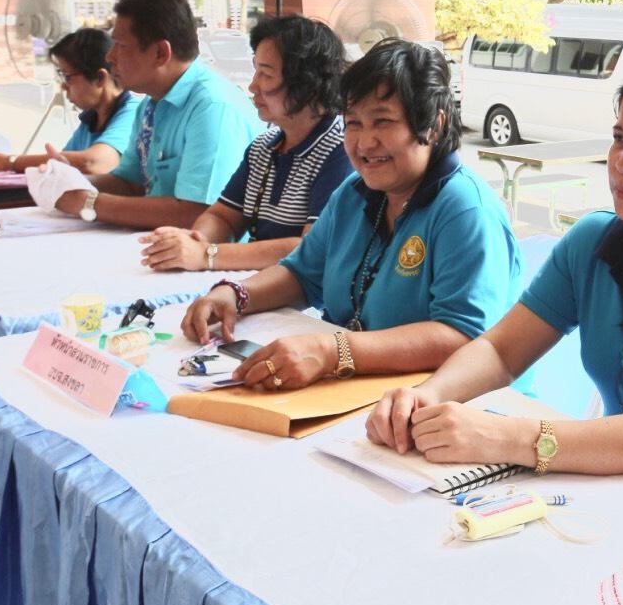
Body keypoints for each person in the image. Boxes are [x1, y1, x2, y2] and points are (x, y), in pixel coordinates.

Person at [366, 56, 623, 476]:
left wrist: (506, 437)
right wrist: (427, 395)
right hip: (620, 482)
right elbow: (502, 351)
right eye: (620, 138)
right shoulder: (592, 242)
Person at [180, 39, 520, 388]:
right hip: (360, 385)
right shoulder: (354, 194)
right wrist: (235, 295)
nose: (365, 142)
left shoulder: (466, 210)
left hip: (452, 400)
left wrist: (335, 351)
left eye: (383, 121)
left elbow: (463, 335)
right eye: (354, 123)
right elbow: (302, 274)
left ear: (433, 125)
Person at [138, 15, 352, 272]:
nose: (253, 86)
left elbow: (311, 248)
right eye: (255, 71)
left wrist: (207, 255)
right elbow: (222, 216)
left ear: (308, 84)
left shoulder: (341, 149)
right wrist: (197, 240)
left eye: (266, 75)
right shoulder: (264, 146)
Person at [39, 0, 261, 231]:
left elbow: (197, 214)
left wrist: (89, 203)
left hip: (207, 252)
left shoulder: (213, 108)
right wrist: (69, 182)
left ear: (160, 53)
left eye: (120, 46)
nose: (110, 56)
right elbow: (130, 184)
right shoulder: (150, 103)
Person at [0, 28, 137, 175]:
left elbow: (92, 163)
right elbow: (61, 164)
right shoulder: (91, 119)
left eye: (67, 77)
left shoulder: (132, 113)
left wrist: (6, 161)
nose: (63, 87)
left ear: (99, 78)